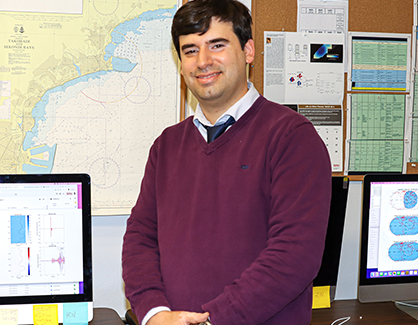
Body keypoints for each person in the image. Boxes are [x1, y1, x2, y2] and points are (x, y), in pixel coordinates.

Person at [121, 0, 332, 324]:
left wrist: (211, 320)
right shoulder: (167, 145)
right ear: (180, 64)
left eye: (216, 46)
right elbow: (140, 237)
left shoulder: (292, 137)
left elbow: (294, 257)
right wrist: (154, 313)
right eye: (190, 50)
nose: (203, 61)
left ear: (248, 51)